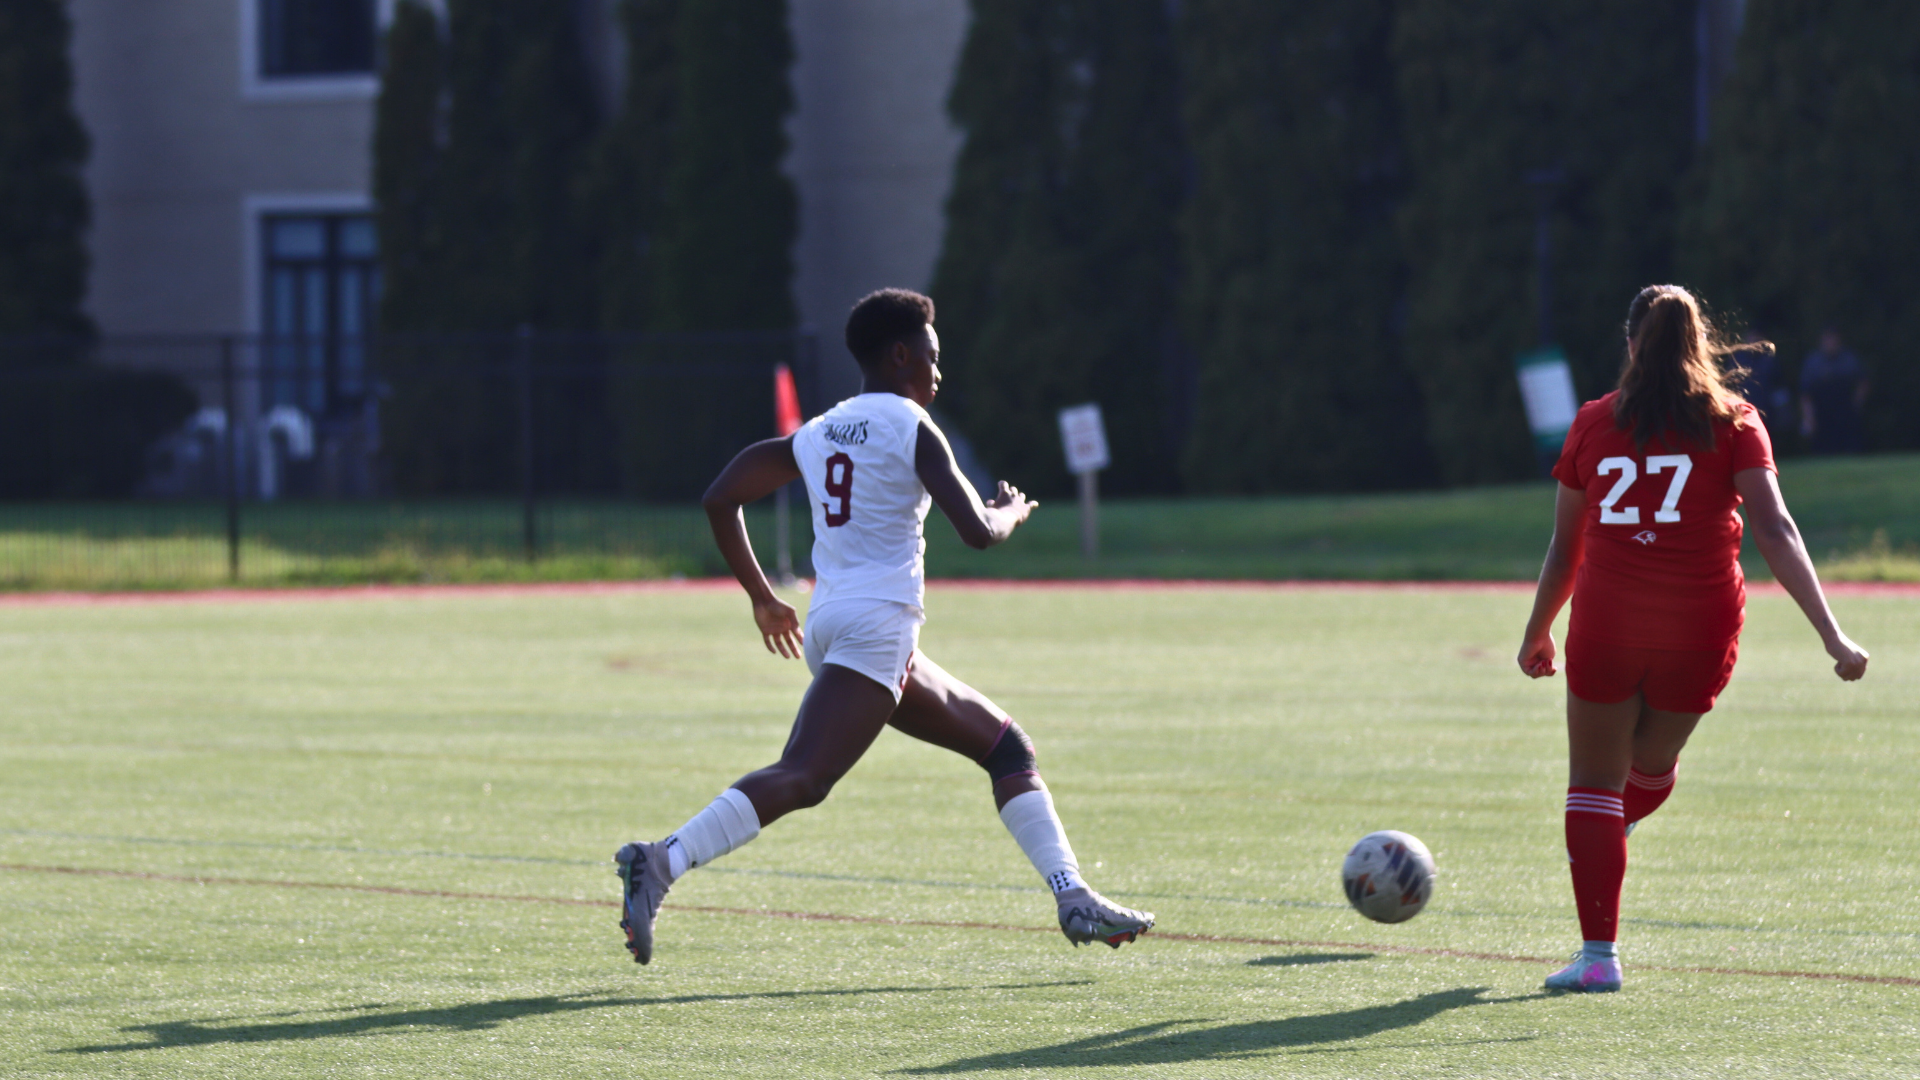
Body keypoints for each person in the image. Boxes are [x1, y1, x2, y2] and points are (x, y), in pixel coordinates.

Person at [612, 288, 1153, 964]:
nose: (937, 372)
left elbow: (721, 495)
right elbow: (978, 533)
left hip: (835, 624)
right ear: (900, 355)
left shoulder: (818, 430)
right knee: (804, 776)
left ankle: (1073, 896)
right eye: (931, 357)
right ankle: (661, 859)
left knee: (1008, 748)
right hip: (877, 628)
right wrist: (1011, 510)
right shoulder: (910, 425)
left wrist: (761, 596)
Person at [1515, 285, 1869, 994]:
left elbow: (1564, 549)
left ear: (1631, 346)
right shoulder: (1736, 420)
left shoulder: (1592, 423)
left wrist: (1538, 631)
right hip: (1698, 629)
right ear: (1699, 344)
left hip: (1610, 624)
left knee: (1593, 786)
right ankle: (1612, 835)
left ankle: (1599, 957)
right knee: (1647, 771)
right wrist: (1833, 635)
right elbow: (1776, 530)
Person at [1799, 328, 1869, 453]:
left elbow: (1862, 381)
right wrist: (1808, 417)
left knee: (1850, 449)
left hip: (1845, 413)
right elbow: (1806, 393)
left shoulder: (1848, 359)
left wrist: (1857, 404)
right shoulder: (1814, 362)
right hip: (1822, 415)